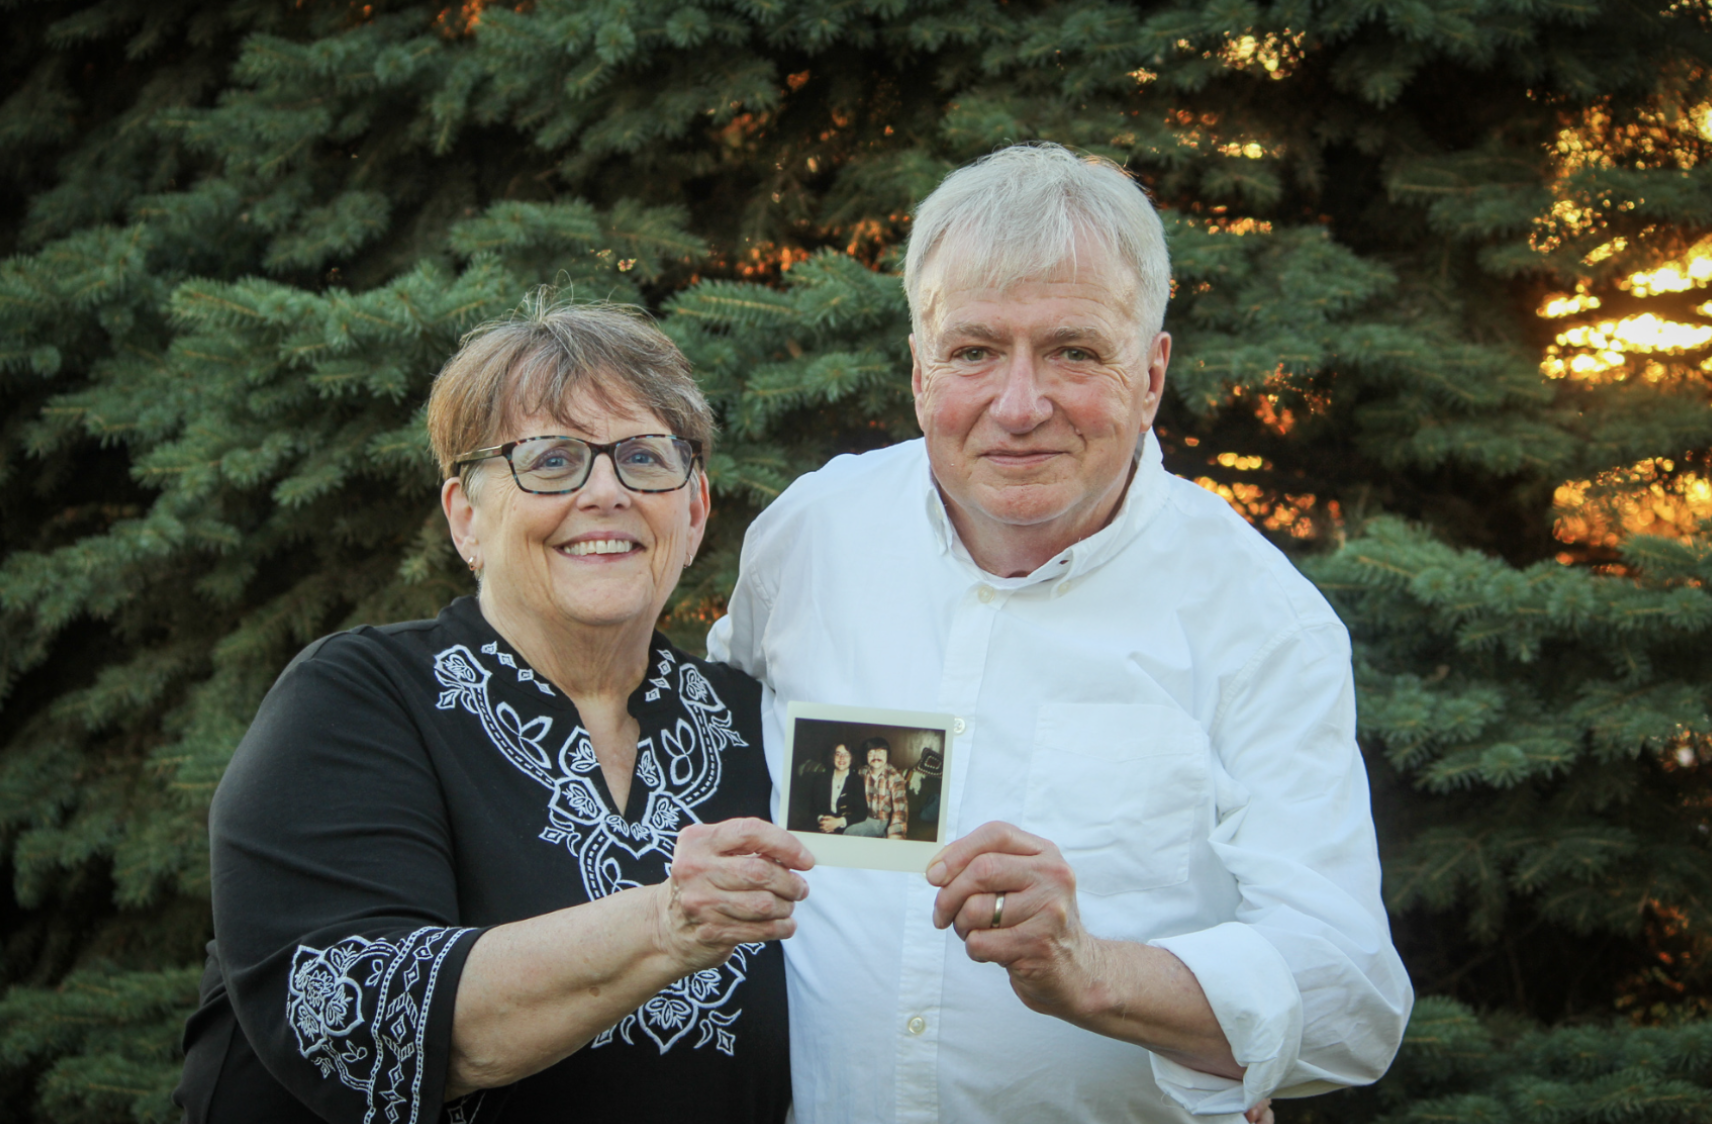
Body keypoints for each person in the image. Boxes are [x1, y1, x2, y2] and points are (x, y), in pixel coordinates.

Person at [708, 143, 1414, 1122]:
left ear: (1150, 372)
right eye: (973, 350)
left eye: (1074, 351)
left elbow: (1351, 999)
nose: (1019, 404)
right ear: (918, 370)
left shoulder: (1257, 615)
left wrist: (1091, 972)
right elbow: (710, 766)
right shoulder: (812, 536)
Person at [173, 301, 813, 1124]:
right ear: (465, 517)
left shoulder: (754, 725)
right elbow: (358, 1017)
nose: (607, 492)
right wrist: (665, 923)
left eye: (647, 459)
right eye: (551, 461)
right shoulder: (358, 698)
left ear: (692, 515)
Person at [843, 736, 908, 839]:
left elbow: (900, 807)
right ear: (866, 756)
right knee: (846, 831)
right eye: (871, 753)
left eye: (881, 753)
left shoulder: (895, 777)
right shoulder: (862, 772)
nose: (876, 757)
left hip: (885, 821)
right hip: (865, 817)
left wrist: (896, 834)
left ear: (888, 755)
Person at [801, 743, 867, 834]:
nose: (842, 758)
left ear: (852, 758)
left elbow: (862, 812)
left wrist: (839, 822)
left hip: (845, 825)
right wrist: (823, 821)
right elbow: (813, 808)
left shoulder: (857, 780)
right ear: (833, 757)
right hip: (823, 822)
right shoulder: (821, 779)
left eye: (846, 755)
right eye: (838, 754)